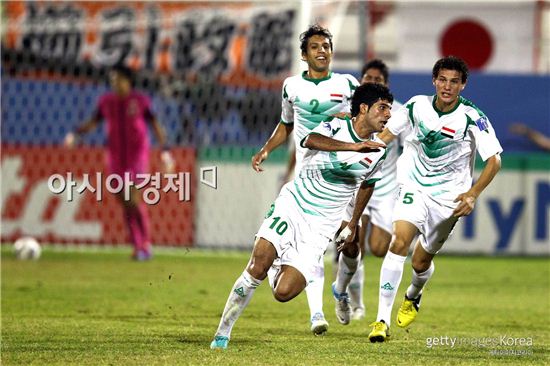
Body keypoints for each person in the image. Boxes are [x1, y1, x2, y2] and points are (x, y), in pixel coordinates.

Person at [210, 83, 393, 350]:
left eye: (389, 108)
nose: (388, 114)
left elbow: (367, 185)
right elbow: (310, 140)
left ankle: (276, 263)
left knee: (283, 292)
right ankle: (222, 334)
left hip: (322, 225)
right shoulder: (334, 125)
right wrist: (353, 147)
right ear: (364, 108)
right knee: (256, 266)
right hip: (294, 204)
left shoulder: (379, 150)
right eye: (383, 108)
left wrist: (353, 223)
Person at [361, 56, 502, 342]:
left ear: (463, 85)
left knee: (421, 261)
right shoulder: (416, 105)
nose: (447, 86)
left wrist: (473, 194)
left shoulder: (473, 117)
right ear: (434, 80)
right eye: (442, 80)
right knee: (399, 241)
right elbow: (387, 135)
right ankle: (381, 321)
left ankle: (413, 294)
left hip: (450, 197)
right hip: (413, 185)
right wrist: (363, 153)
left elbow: (494, 161)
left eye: (454, 81)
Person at [250, 24, 360, 335]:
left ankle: (340, 289)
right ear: (304, 55)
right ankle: (316, 313)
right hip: (309, 181)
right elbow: (285, 124)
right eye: (315, 47)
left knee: (352, 245)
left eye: (326, 45)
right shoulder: (291, 87)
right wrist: (266, 149)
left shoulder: (348, 85)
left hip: (343, 177)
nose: (322, 50)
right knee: (314, 246)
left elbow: (363, 118)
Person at [64, 64, 171, 261]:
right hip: (115, 157)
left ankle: (144, 245)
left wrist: (165, 152)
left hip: (137, 155)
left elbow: (155, 125)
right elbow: (93, 121)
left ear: (128, 80)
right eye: (112, 79)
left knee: (133, 197)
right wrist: (76, 134)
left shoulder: (140, 101)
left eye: (118, 79)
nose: (115, 83)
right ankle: (138, 246)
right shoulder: (106, 101)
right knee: (125, 201)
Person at [332, 59, 408, 322]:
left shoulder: (398, 114)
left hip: (386, 188)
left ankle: (345, 291)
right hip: (354, 184)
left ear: (385, 84)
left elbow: (413, 145)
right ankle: (351, 300)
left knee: (378, 247)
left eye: (377, 80)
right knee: (353, 243)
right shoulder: (349, 111)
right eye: (367, 78)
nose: (371, 83)